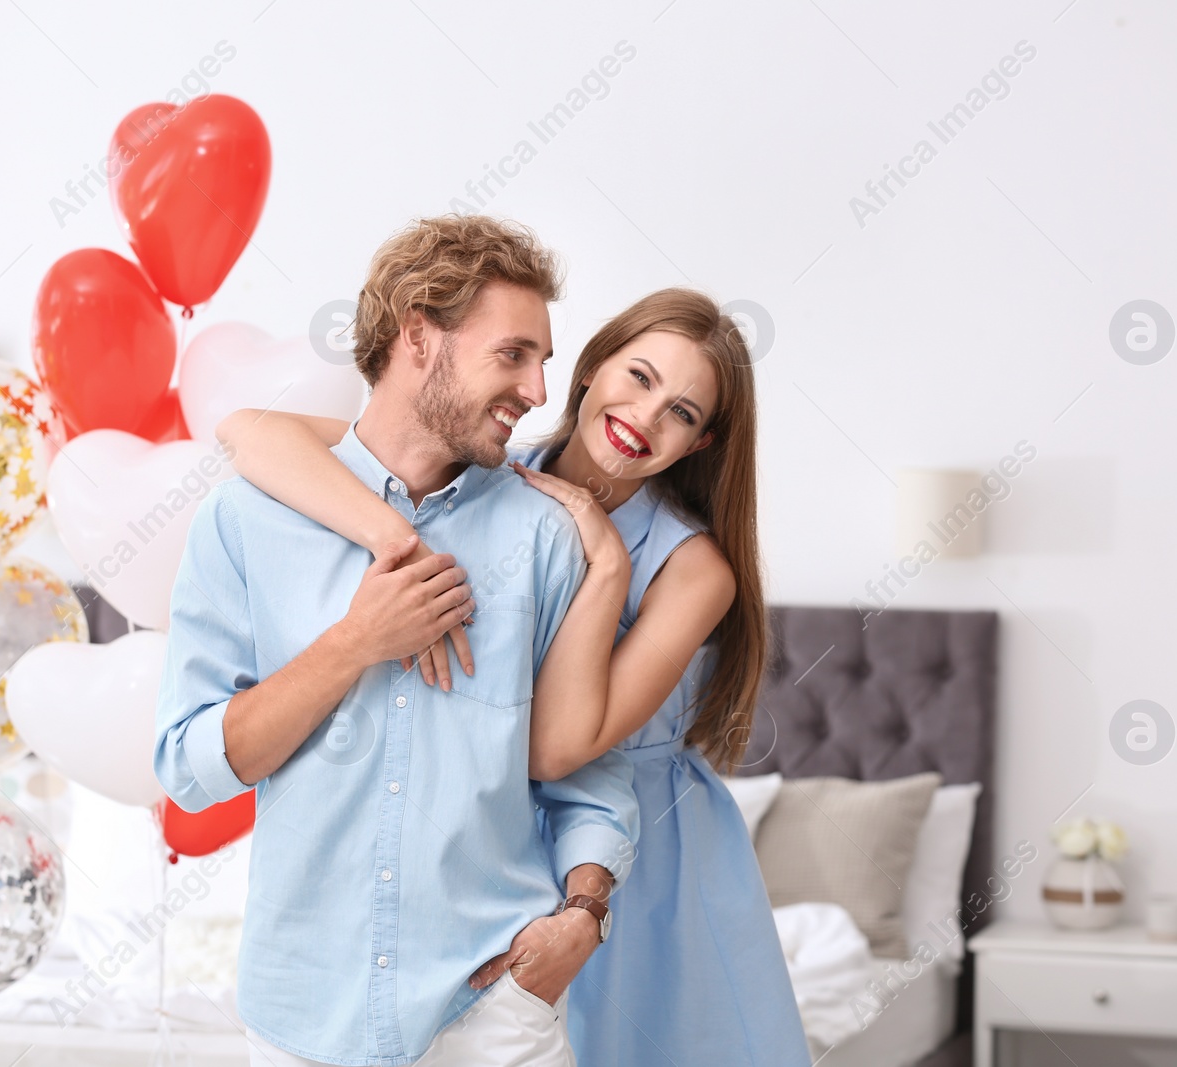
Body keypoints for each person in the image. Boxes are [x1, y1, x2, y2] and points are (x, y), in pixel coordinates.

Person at [217, 287, 813, 1066]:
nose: (646, 415)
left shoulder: (696, 570)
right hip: (491, 830)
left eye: (684, 412)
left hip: (643, 854)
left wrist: (606, 563)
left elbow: (557, 749)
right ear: (591, 367)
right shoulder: (487, 471)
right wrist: (398, 540)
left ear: (700, 445)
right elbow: (249, 431)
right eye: (637, 376)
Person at [156, 214, 640, 1067]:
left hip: (495, 1013)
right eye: (514, 353)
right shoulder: (244, 520)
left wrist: (585, 916)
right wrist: (353, 642)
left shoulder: (544, 539)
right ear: (420, 336)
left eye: (544, 362)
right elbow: (192, 769)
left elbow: (586, 768)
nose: (537, 391)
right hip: (303, 1015)